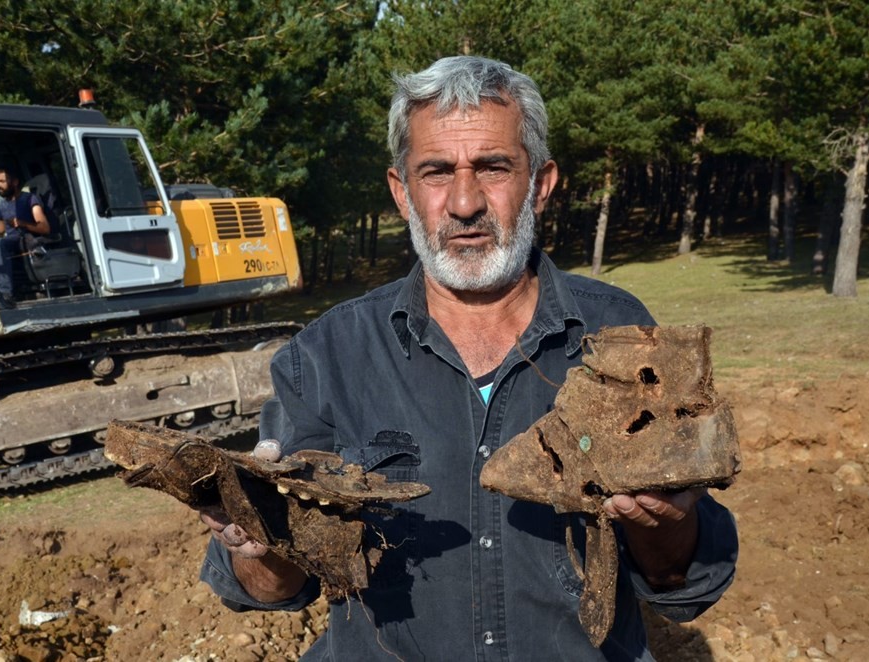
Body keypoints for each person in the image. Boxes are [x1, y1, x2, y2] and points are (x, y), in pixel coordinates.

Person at [199, 55, 738, 660]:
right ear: (402, 193)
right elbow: (273, 588)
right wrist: (258, 542)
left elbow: (680, 584)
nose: (463, 202)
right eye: (435, 172)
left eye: (493, 167)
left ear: (541, 183)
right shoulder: (326, 356)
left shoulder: (617, 333)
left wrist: (665, 520)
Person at [0, 166, 51, 304]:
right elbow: (1, 227)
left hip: (24, 240)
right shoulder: (2, 204)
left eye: (2, 181)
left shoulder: (30, 199)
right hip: (9, 241)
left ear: (14, 182)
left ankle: (6, 293)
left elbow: (45, 228)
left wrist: (23, 223)